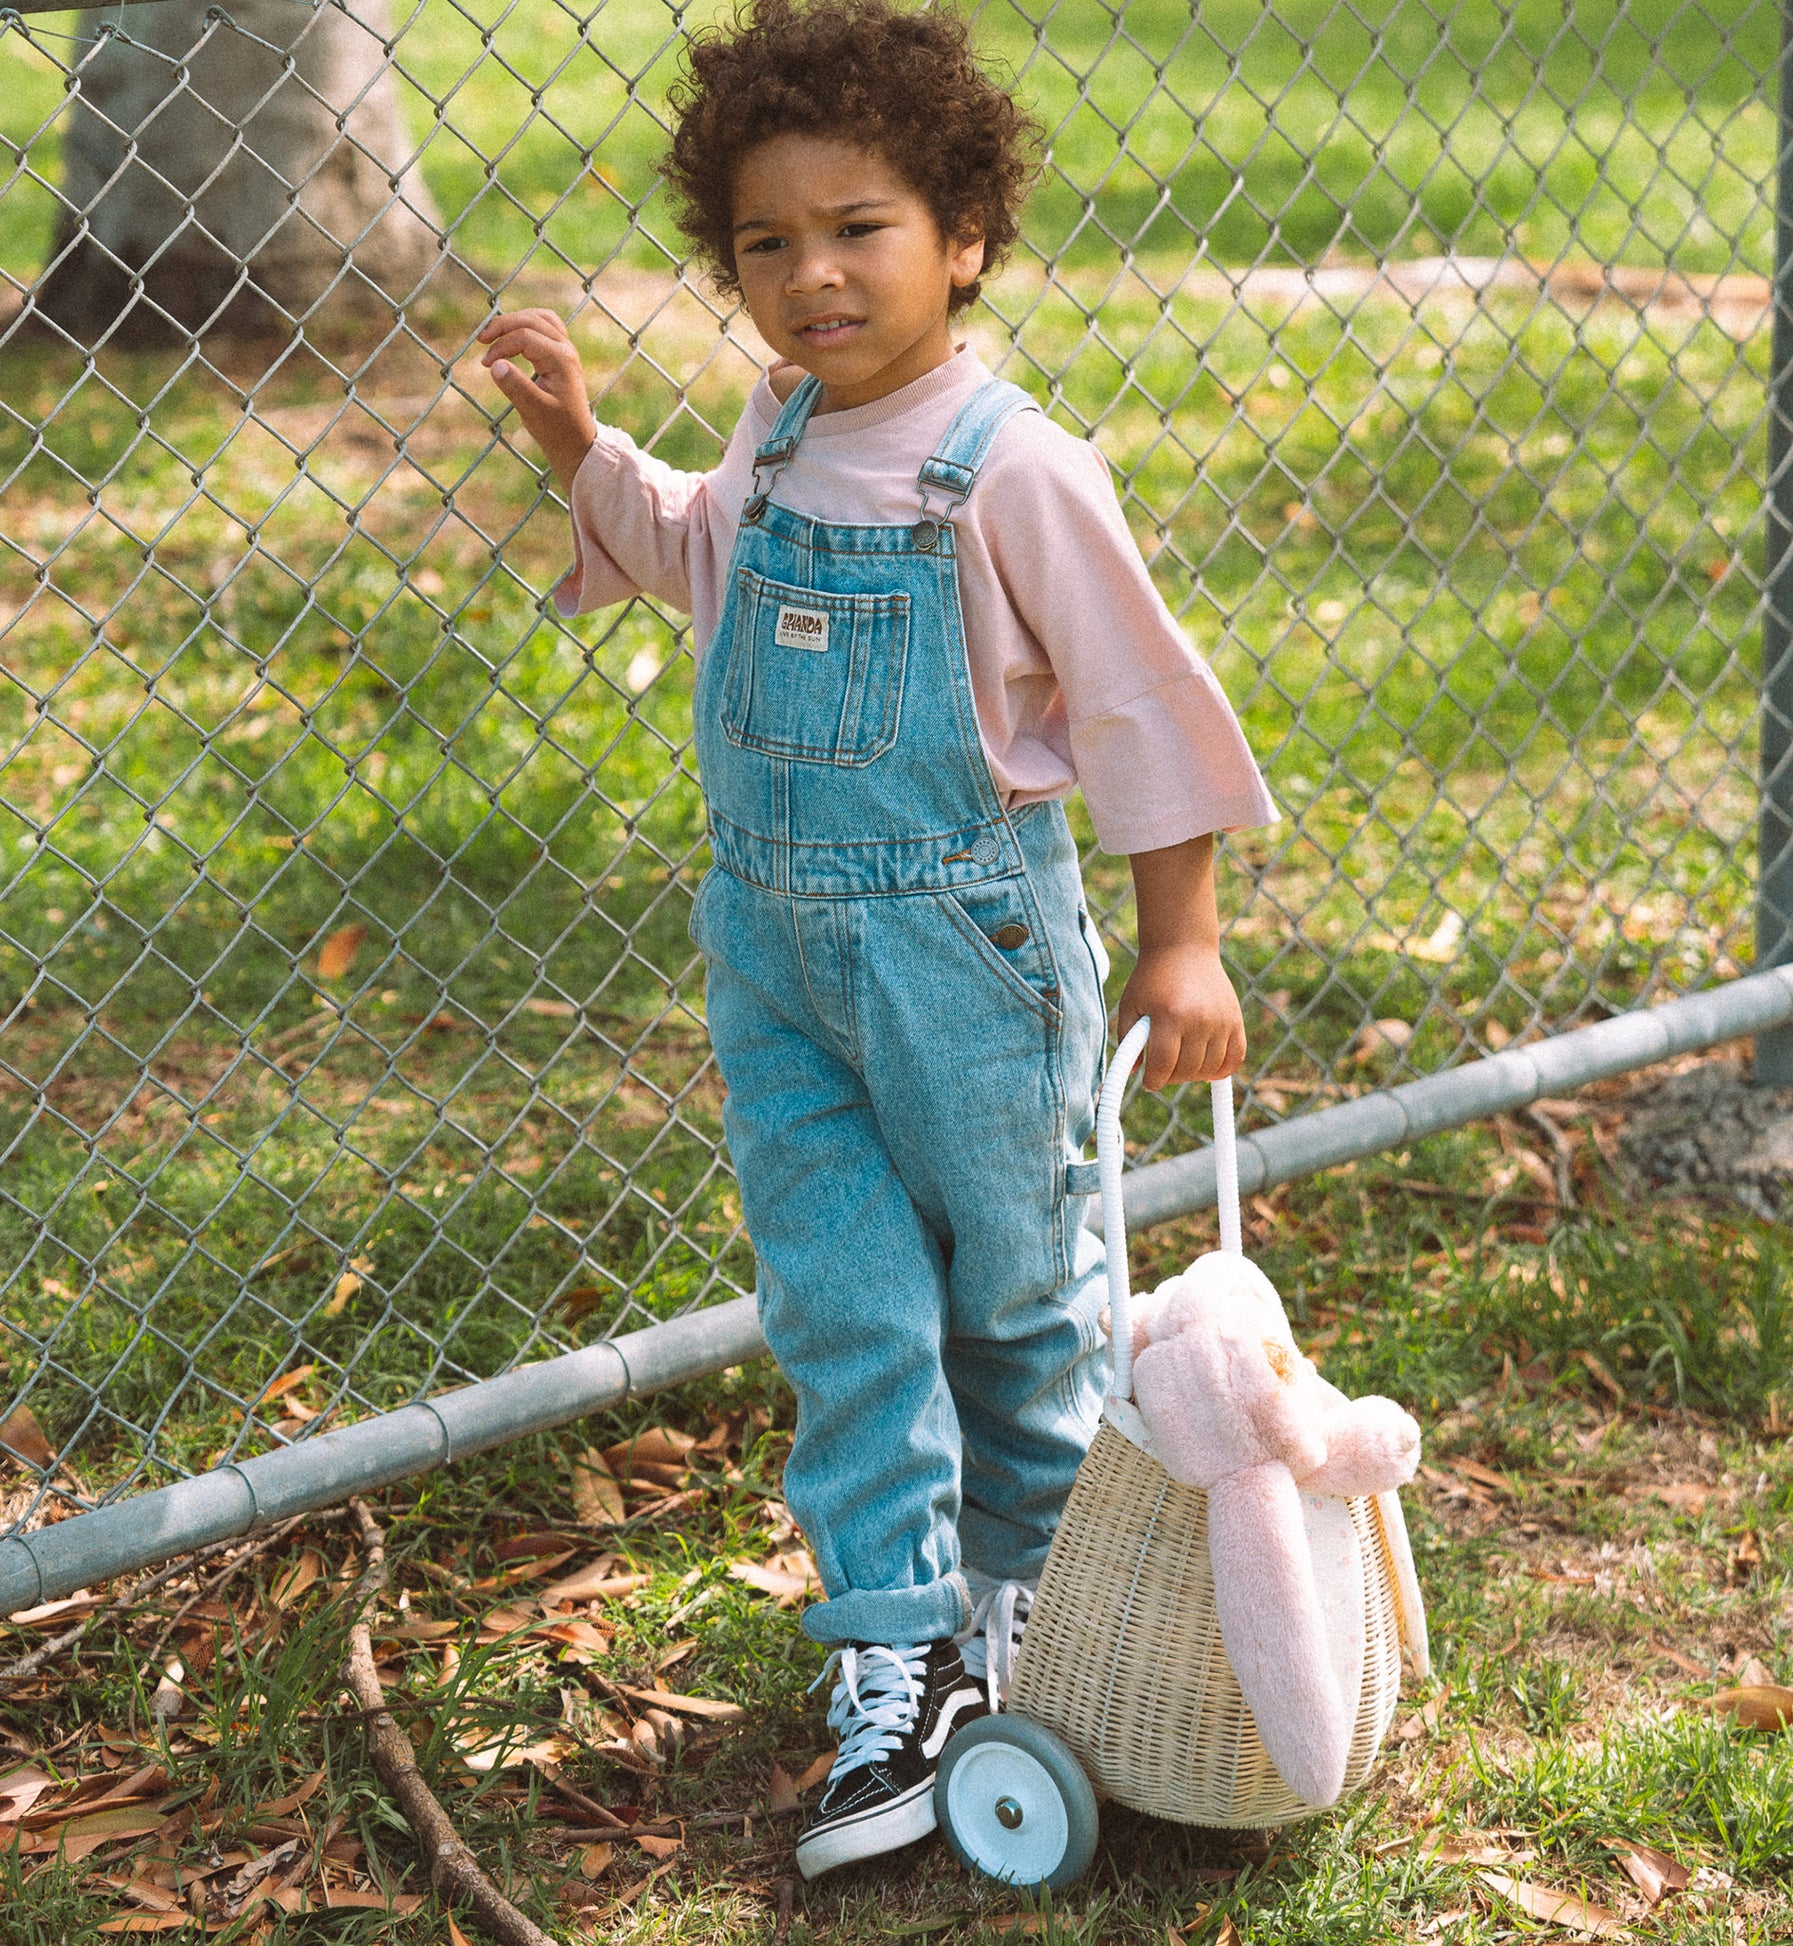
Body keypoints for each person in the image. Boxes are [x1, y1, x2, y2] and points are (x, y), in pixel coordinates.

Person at [476, 0, 1275, 1879]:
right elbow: (706, 559)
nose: (811, 275)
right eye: (766, 241)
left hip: (966, 962)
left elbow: (1144, 707)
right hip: (772, 961)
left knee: (1011, 1298)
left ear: (965, 237)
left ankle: (1044, 1614)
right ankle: (896, 1654)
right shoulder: (772, 425)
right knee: (842, 1310)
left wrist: (1183, 944)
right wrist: (585, 447)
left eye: (860, 229)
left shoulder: (1009, 468)